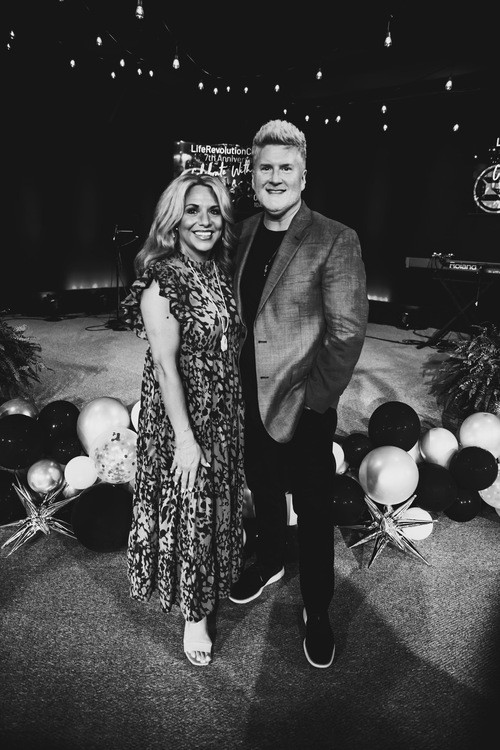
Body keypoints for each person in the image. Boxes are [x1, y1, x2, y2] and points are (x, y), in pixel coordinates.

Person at [229, 119, 369, 668]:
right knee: (262, 489)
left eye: (286, 167)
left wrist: (316, 404)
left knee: (312, 511)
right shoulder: (240, 233)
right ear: (252, 176)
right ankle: (269, 561)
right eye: (265, 167)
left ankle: (318, 608)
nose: (275, 177)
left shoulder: (335, 237)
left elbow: (346, 333)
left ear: (304, 176)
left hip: (303, 403)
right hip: (245, 400)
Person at [121, 172, 245, 667]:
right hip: (183, 413)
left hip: (222, 410)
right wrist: (185, 438)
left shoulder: (216, 268)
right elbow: (165, 366)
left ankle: (213, 581)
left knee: (215, 502)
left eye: (213, 211)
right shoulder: (162, 278)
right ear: (173, 220)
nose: (204, 221)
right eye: (192, 210)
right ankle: (195, 615)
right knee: (191, 505)